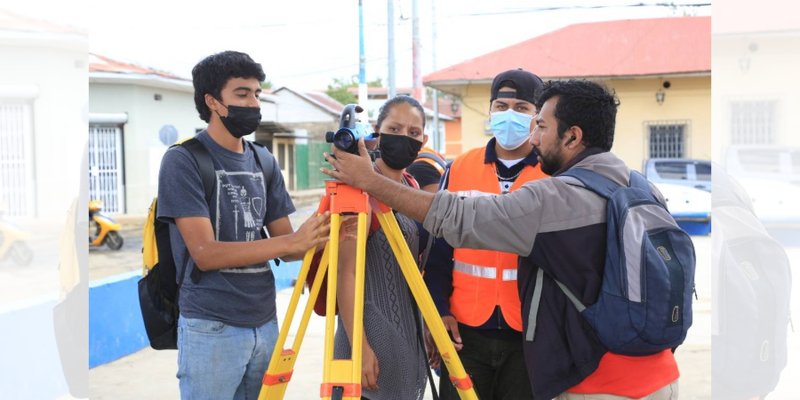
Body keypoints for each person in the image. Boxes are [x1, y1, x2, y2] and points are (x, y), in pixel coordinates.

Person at [322, 80, 681, 400]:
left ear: (571, 137)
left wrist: (369, 181)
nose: (533, 136)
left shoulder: (555, 197)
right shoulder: (641, 187)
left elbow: (461, 217)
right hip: (657, 373)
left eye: (539, 125)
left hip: (598, 383)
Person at [157, 50, 329, 400]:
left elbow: (291, 242)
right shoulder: (183, 160)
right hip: (211, 326)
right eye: (241, 94)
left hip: (265, 323)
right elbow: (205, 253)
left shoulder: (263, 160)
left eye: (256, 94)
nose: (253, 103)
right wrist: (289, 245)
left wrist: (336, 209)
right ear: (212, 102)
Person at [424, 69, 546, 400]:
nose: (510, 115)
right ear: (490, 111)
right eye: (501, 106)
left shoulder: (552, 174)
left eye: (522, 108)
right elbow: (438, 250)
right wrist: (439, 311)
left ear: (539, 117)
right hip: (465, 330)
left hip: (529, 333)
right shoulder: (460, 167)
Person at [334, 95, 429, 400]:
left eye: (413, 133)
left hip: (408, 344)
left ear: (424, 140)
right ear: (376, 131)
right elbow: (344, 273)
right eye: (395, 128)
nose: (404, 138)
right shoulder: (355, 190)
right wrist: (360, 348)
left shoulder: (412, 188)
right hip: (368, 346)